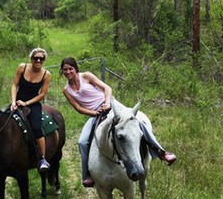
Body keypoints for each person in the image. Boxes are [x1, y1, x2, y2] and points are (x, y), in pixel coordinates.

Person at [60, 57, 176, 187]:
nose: (68, 72)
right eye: (65, 69)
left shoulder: (86, 76)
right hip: (95, 113)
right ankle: (87, 173)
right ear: (62, 71)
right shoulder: (66, 90)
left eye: (70, 68)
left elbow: (107, 88)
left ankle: (161, 152)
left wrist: (107, 103)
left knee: (136, 122)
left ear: (76, 69)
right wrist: (94, 113)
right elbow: (78, 108)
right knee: (82, 141)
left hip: (111, 105)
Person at [0, 48, 52, 172]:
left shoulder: (46, 74)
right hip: (17, 101)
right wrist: (14, 102)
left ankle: (42, 158)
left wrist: (26, 103)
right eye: (36, 58)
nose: (38, 60)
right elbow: (14, 85)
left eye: (41, 58)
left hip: (33, 104)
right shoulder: (22, 67)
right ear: (31, 58)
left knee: (36, 127)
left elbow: (42, 94)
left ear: (44, 60)